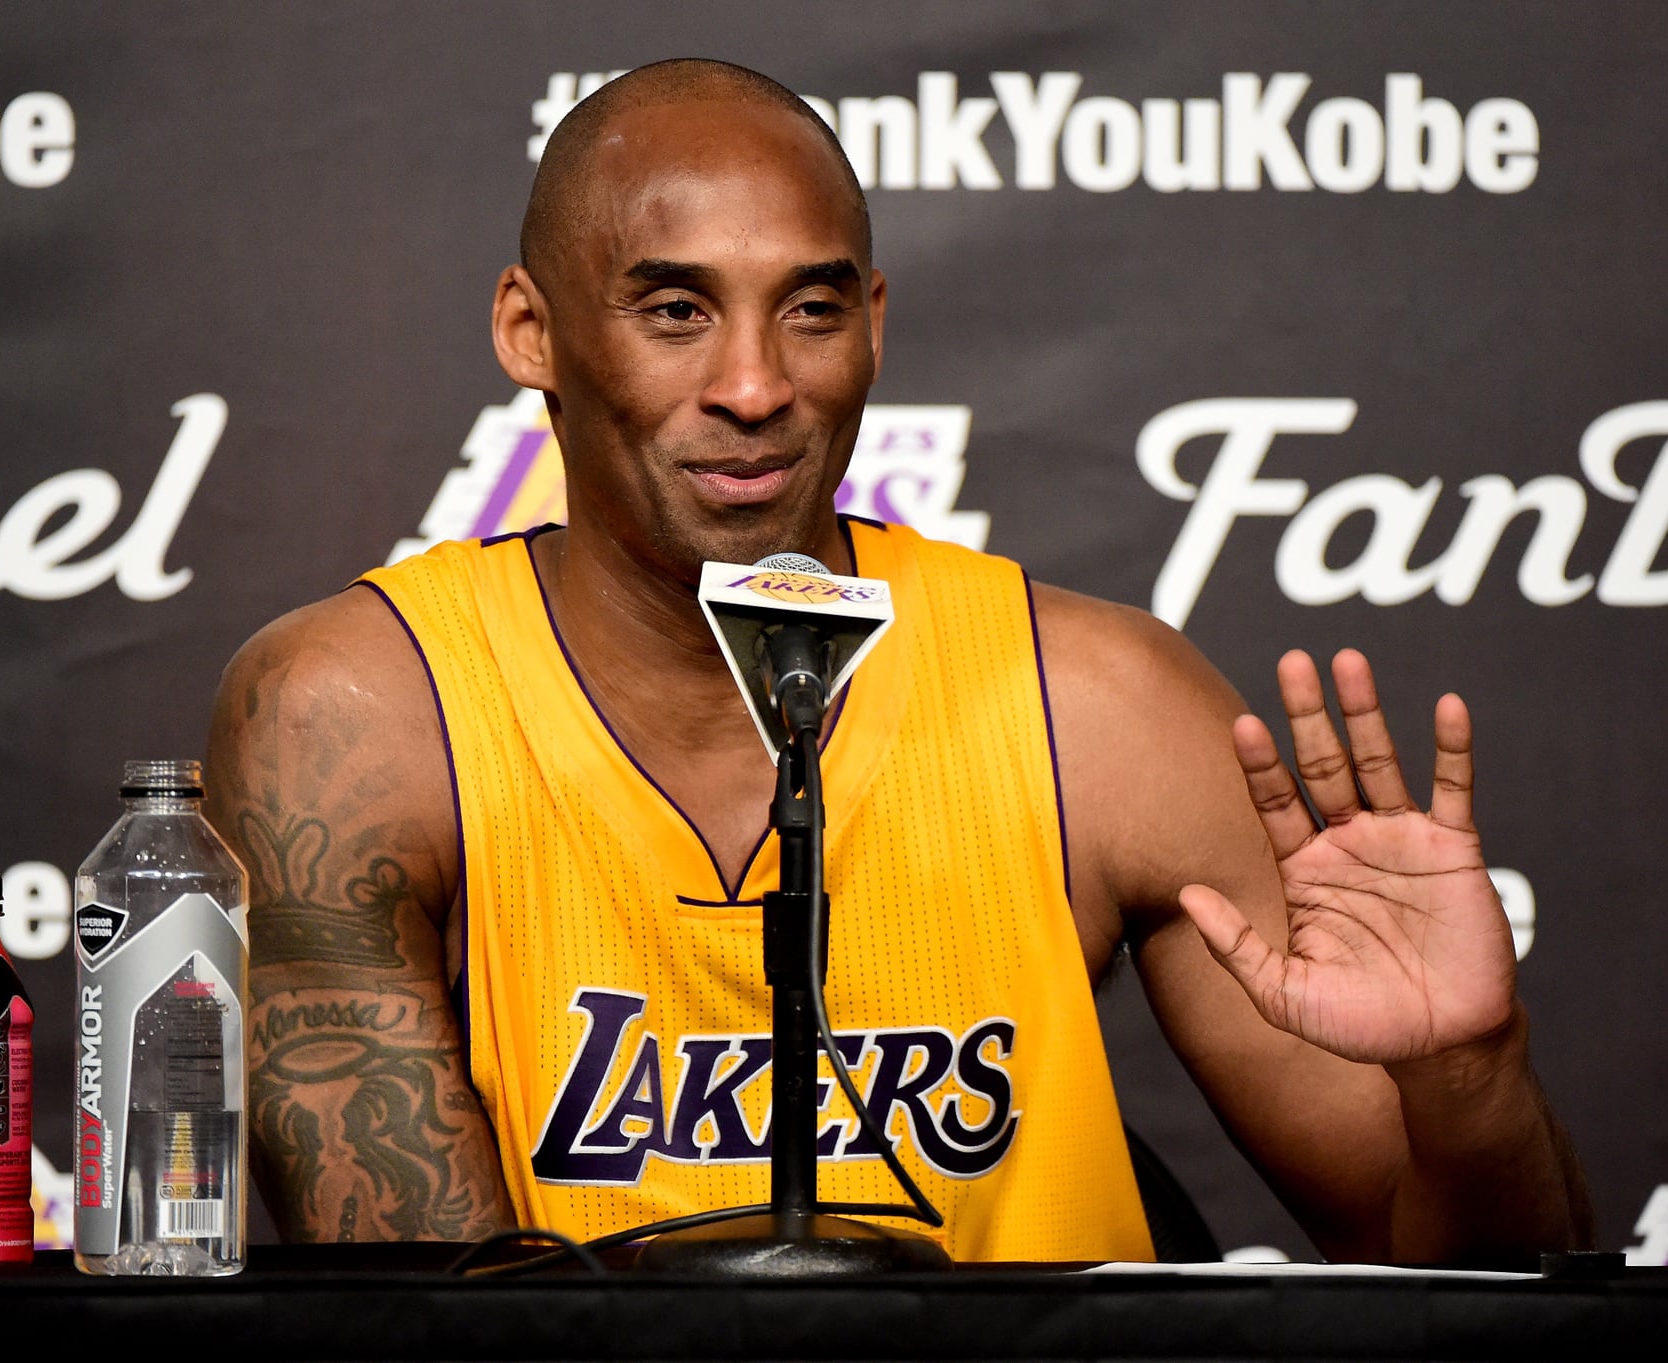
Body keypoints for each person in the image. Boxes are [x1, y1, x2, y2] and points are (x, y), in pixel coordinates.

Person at [204, 58, 1592, 1263]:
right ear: (534, 332)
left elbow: (1477, 1281)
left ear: (873, 323)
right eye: (675, 310)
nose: (754, 386)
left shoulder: (1100, 708)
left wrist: (1468, 1075)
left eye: (808, 310)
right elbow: (432, 1327)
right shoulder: (357, 714)